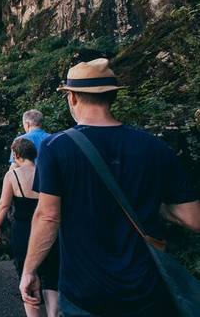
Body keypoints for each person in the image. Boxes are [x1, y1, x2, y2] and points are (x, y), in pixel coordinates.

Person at [19, 58, 200, 316]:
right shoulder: (155, 147)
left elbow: (48, 215)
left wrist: (29, 270)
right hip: (147, 290)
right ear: (112, 96)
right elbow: (193, 218)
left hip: (86, 292)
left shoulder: (55, 147)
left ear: (72, 98)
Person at [0, 138, 59, 317]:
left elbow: (3, 205)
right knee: (52, 276)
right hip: (49, 231)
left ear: (16, 154)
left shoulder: (12, 175)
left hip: (23, 231)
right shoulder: (46, 172)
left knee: (27, 275)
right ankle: (54, 314)